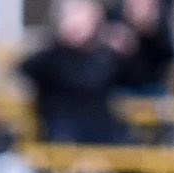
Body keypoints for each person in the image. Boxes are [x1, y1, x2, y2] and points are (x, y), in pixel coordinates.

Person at [18, 0, 129, 146]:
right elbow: (25, 69)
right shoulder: (49, 59)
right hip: (64, 138)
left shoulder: (106, 58)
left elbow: (139, 77)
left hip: (102, 138)